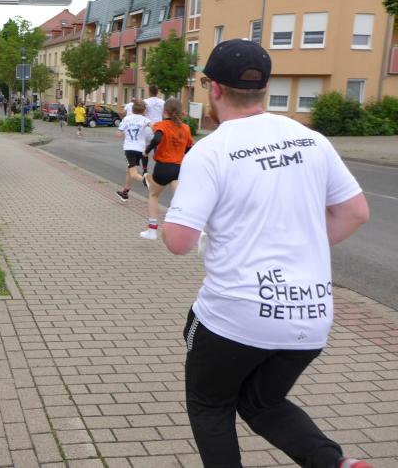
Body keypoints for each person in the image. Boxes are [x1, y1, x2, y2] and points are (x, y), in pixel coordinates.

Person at [162, 39, 372, 468]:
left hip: (235, 314)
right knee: (261, 403)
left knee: (210, 405)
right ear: (264, 88)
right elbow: (355, 212)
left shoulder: (211, 150)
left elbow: (179, 241)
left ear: (214, 89)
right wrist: (300, 248)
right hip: (310, 315)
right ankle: (336, 464)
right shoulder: (311, 140)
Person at [139, 98, 192, 239]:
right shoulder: (186, 128)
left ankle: (152, 230)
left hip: (163, 167)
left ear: (165, 111)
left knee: (153, 195)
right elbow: (189, 149)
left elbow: (157, 139)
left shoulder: (162, 125)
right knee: (179, 199)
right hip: (178, 168)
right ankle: (196, 230)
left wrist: (147, 151)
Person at [115, 99, 152, 201]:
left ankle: (147, 181)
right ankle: (125, 192)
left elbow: (118, 134)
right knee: (129, 171)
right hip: (141, 149)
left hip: (129, 149)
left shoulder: (126, 119)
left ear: (132, 109)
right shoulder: (145, 120)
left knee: (133, 174)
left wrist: (123, 133)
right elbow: (155, 128)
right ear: (144, 111)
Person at [141, 84, 166, 183]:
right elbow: (164, 115)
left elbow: (142, 113)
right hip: (159, 129)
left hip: (148, 127)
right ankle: (157, 173)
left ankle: (145, 171)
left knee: (145, 150)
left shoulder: (145, 102)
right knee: (158, 151)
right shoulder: (163, 102)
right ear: (157, 92)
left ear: (149, 91)